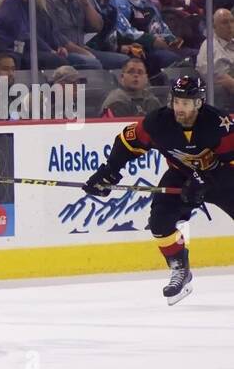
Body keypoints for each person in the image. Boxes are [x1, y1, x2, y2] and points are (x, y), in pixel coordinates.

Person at [82, 76, 233, 304]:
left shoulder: (220, 125)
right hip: (181, 176)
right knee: (160, 223)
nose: (179, 108)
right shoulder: (158, 123)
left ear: (199, 103)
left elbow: (230, 163)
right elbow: (127, 142)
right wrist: (108, 171)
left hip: (223, 179)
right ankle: (180, 269)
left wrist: (204, 179)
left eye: (186, 103)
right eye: (176, 101)